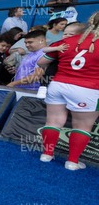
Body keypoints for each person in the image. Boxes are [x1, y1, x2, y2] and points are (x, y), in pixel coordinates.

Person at [29, 11, 99, 170]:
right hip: (89, 89)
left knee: (53, 121)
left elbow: (41, 61)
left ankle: (46, 154)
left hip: (58, 84)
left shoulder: (67, 41)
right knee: (82, 126)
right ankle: (72, 162)